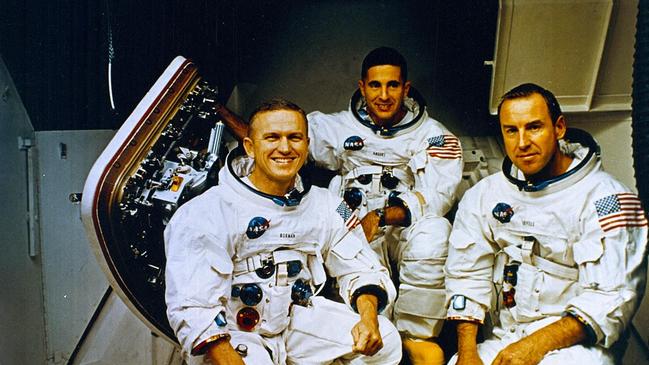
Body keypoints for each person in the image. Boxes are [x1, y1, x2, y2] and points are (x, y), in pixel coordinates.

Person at [215, 47, 463, 365]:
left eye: (392, 85)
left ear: (406, 88)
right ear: (362, 87)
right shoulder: (335, 126)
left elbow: (436, 197)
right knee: (347, 244)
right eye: (375, 85)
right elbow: (270, 140)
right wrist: (219, 111)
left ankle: (414, 338)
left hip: (403, 222)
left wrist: (381, 216)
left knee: (436, 233)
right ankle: (375, 332)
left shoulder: (436, 137)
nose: (384, 95)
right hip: (349, 211)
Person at [164, 99, 402, 365]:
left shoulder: (327, 205)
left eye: (295, 138)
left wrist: (368, 319)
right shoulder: (207, 211)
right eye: (272, 138)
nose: (285, 148)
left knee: (387, 342)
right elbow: (194, 307)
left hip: (293, 322)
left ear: (307, 145)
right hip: (233, 334)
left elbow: (362, 268)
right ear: (250, 147)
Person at [445, 83, 648, 365]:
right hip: (507, 336)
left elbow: (612, 297)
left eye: (534, 127)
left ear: (559, 127)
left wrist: (533, 346)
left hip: (576, 343)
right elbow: (467, 274)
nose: (522, 142)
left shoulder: (607, 199)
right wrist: (468, 353)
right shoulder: (484, 195)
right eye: (511, 130)